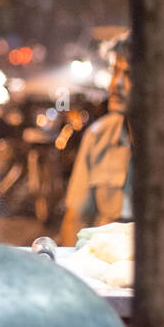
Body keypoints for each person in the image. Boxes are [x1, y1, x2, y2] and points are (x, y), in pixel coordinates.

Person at [60, 32, 133, 246]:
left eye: (129, 75)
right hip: (100, 270)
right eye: (114, 71)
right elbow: (75, 219)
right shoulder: (97, 136)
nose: (116, 83)